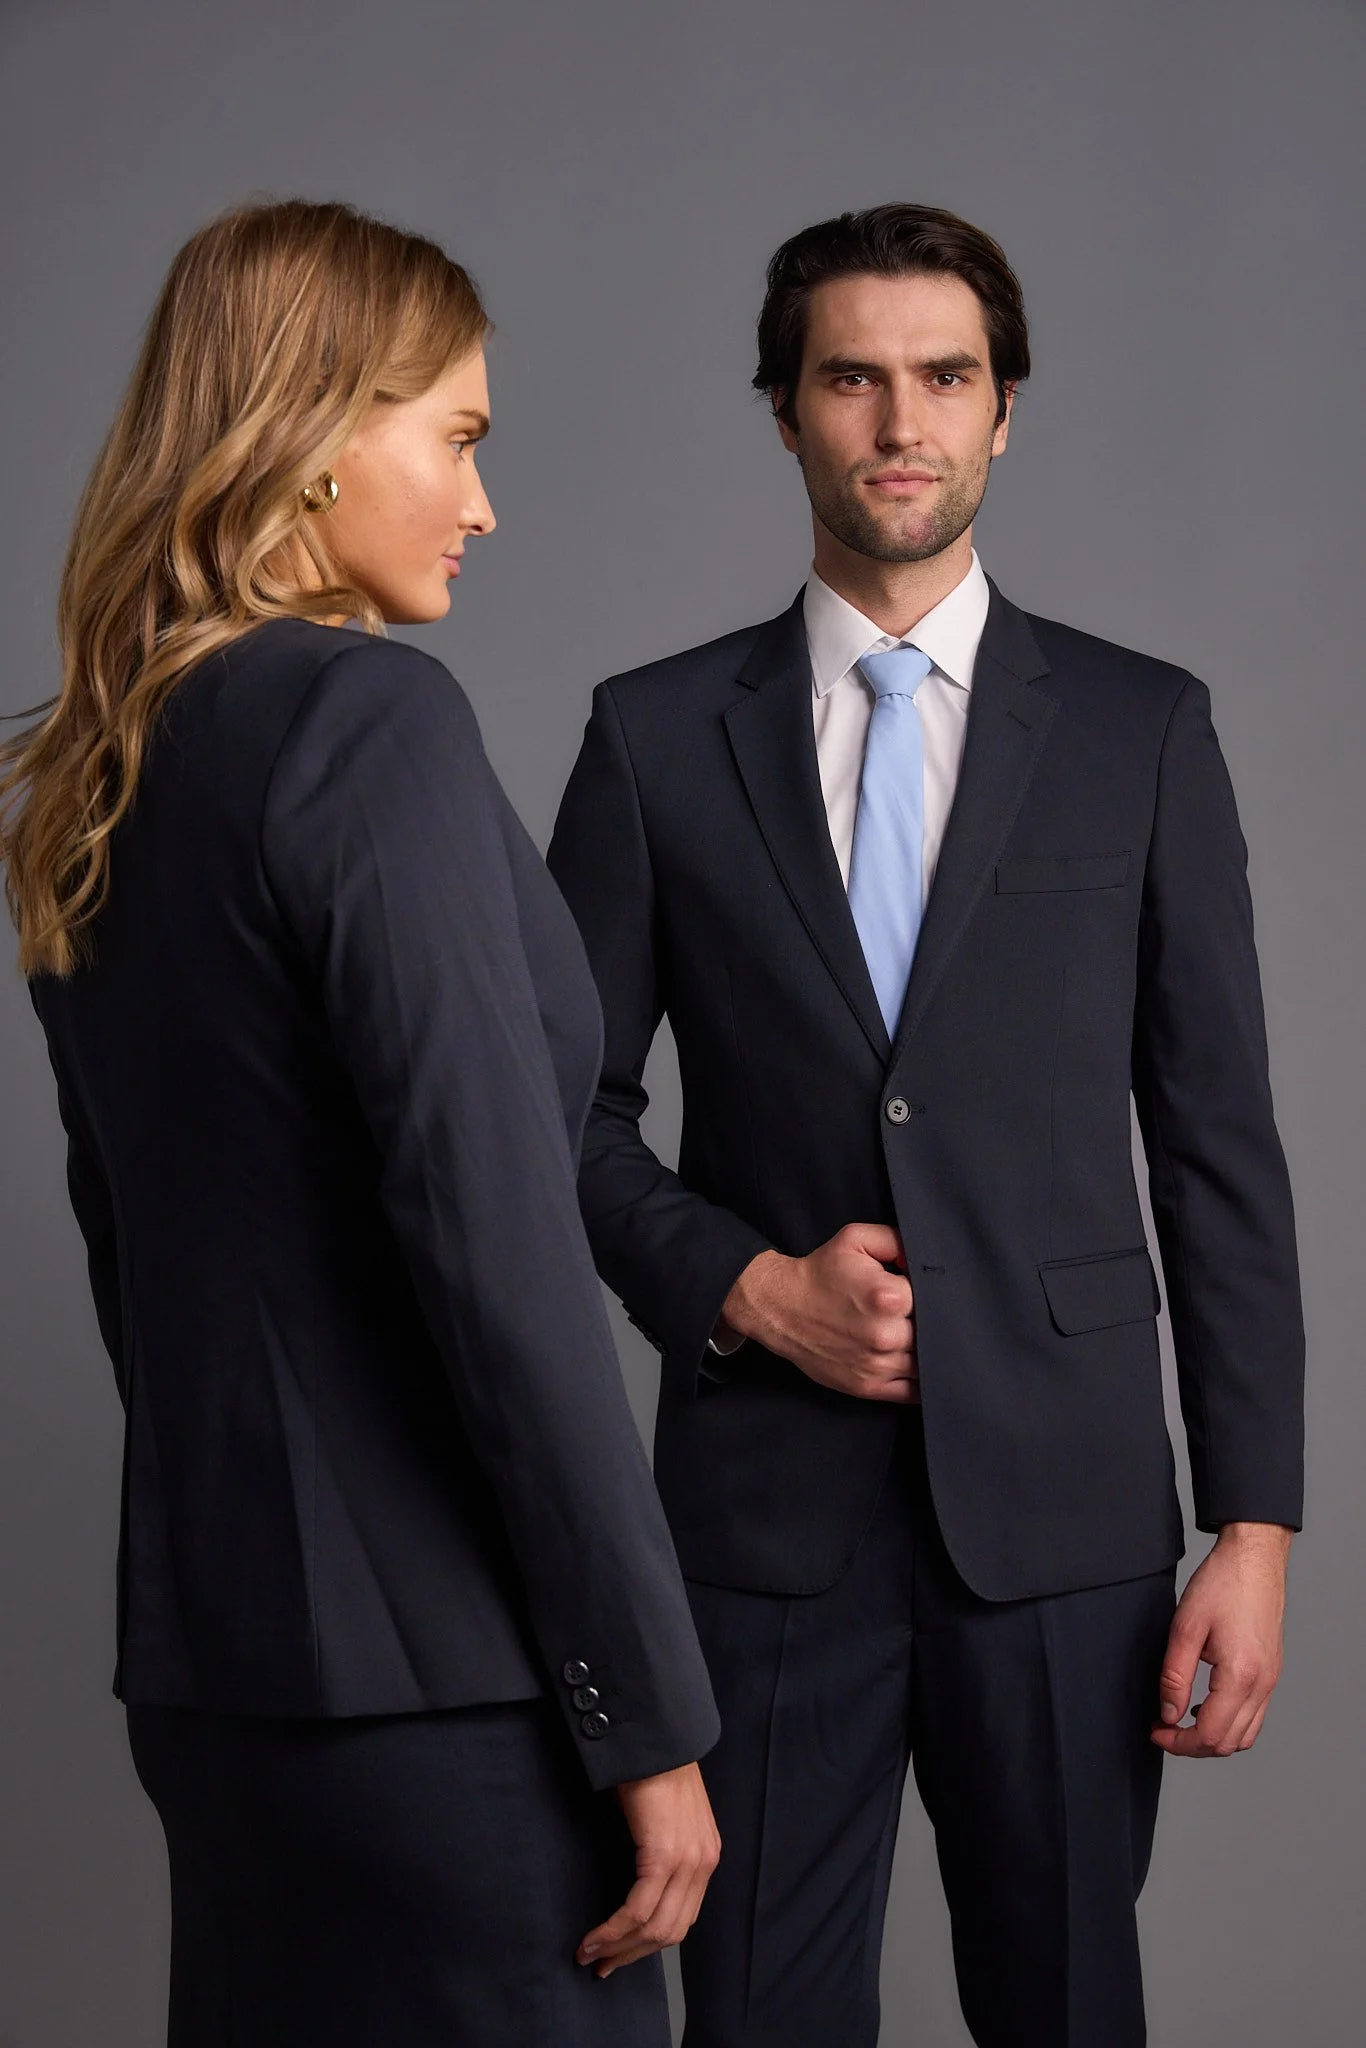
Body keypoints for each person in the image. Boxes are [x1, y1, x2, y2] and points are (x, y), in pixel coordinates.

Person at [547, 202, 1304, 2047]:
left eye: (943, 377)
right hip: (758, 1528)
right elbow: (547, 1116)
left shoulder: (1139, 731)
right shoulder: (652, 742)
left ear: (1004, 409)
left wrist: (1258, 1523)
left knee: (1062, 2006)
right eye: (853, 378)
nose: (902, 420)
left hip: (1063, 1526)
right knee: (752, 2019)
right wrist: (740, 1286)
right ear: (786, 412)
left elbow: (1217, 1148)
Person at [0, 198, 721, 2048]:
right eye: (456, 439)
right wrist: (641, 1718)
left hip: (225, 1684)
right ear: (316, 434)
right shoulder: (366, 721)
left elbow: (133, 1264)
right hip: (453, 1708)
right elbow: (496, 1259)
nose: (481, 508)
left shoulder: (111, 767)